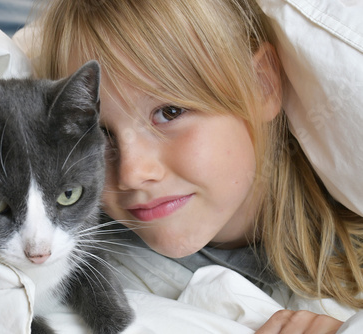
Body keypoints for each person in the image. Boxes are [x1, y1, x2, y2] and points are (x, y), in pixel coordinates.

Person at [22, 0, 363, 332]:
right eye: (99, 134)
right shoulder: (83, 264)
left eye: (169, 112)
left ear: (262, 85)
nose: (132, 173)